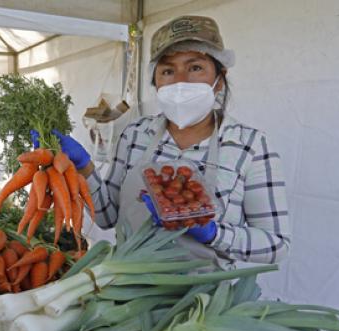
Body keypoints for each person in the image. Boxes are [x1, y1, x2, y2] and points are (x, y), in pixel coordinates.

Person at [34, 15, 291, 269]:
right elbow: (106, 216)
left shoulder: (250, 145)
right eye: (168, 70)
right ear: (155, 82)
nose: (180, 81)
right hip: (127, 288)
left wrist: (215, 233)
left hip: (203, 301)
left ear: (219, 80)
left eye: (195, 67)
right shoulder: (134, 134)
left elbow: (276, 245)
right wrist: (83, 169)